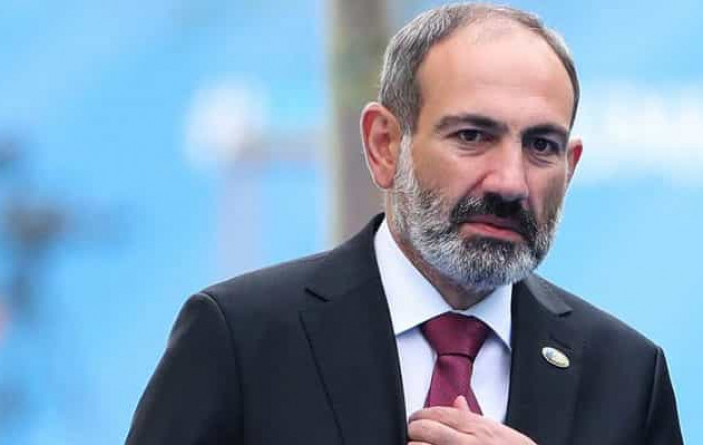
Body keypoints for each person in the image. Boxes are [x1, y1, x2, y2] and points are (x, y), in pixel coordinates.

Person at [126, 3, 683, 444]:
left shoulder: (627, 377)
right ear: (385, 145)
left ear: (571, 166)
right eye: (472, 136)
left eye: (541, 146)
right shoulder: (242, 339)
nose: (510, 182)